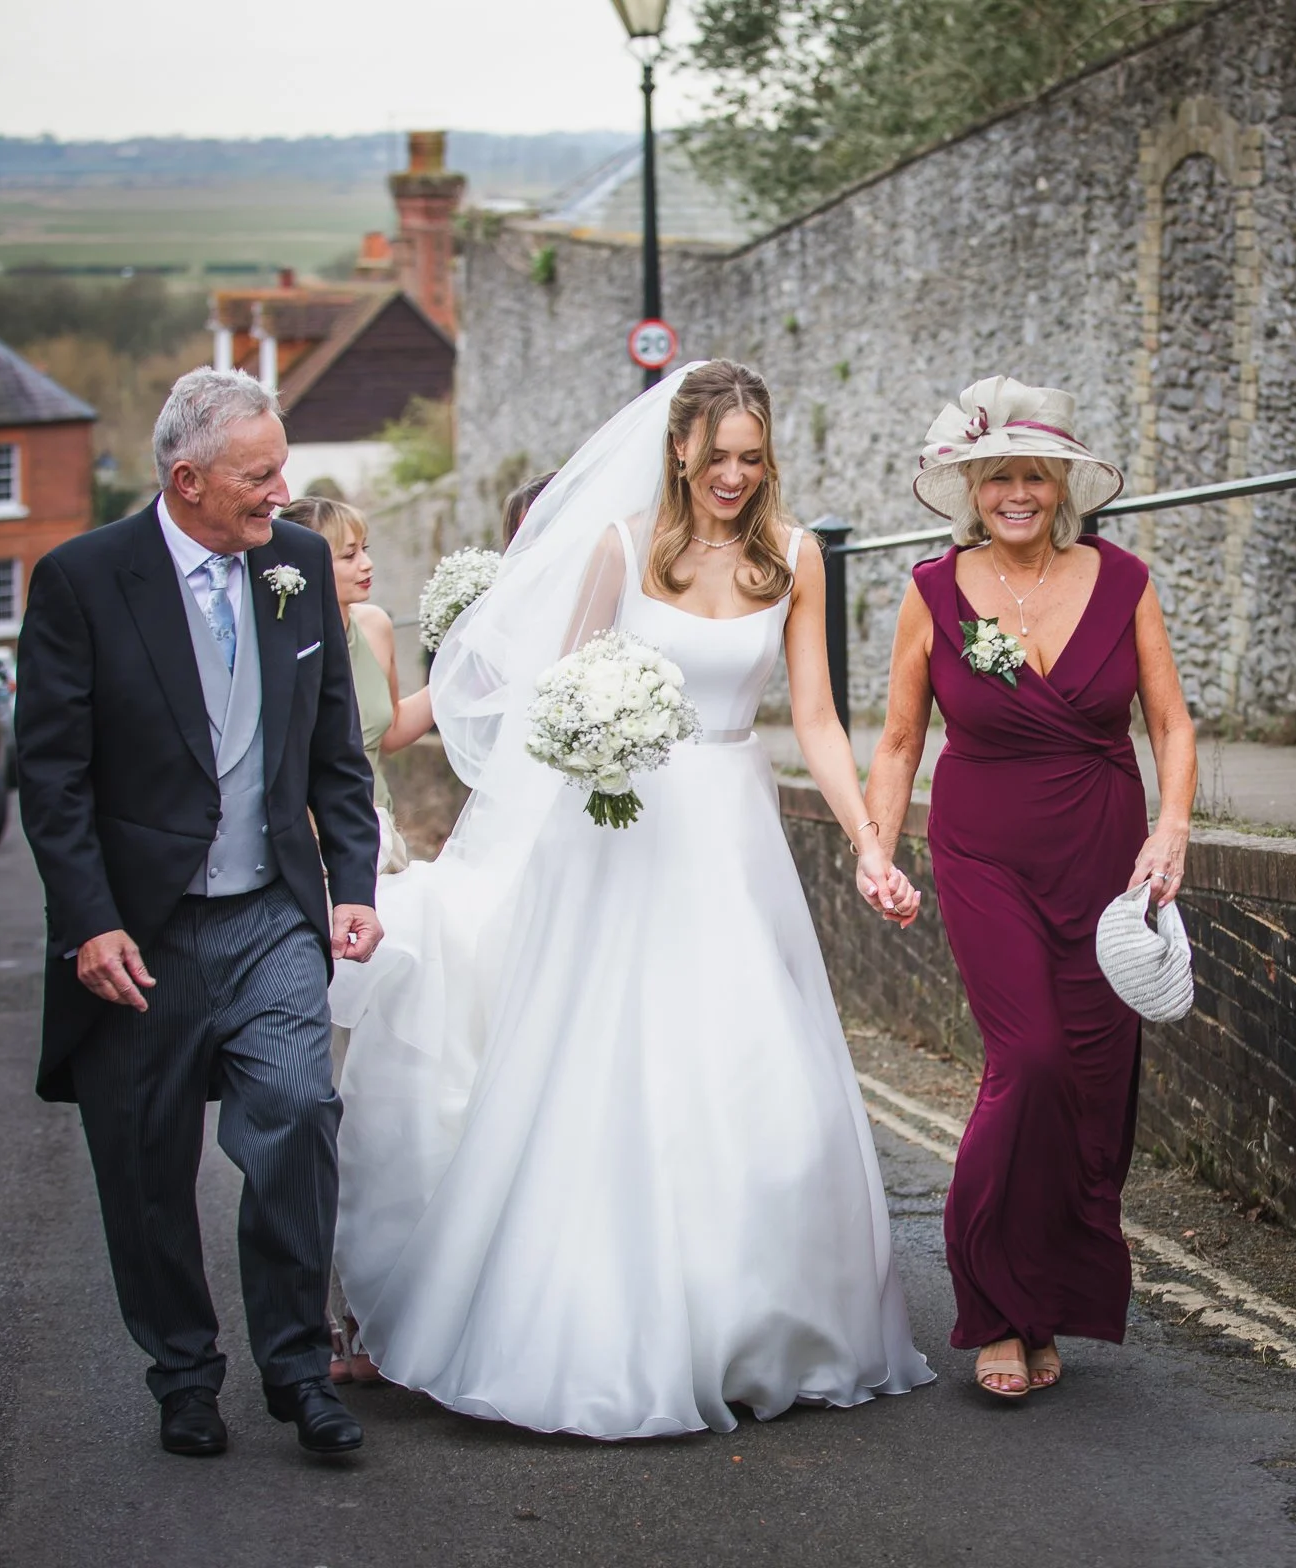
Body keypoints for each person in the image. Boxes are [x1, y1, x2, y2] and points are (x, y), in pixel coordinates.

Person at [330, 360, 933, 1438]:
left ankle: (763, 1324)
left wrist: (869, 841)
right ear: (680, 451)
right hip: (619, 835)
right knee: (611, 1064)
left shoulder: (794, 561)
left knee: (755, 1063)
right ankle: (605, 1324)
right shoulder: (618, 549)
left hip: (732, 831)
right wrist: (580, 758)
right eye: (716, 459)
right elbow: (554, 693)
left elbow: (818, 719)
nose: (733, 477)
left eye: (752, 459)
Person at [15, 367, 385, 1458]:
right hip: (140, 932)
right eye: (259, 474)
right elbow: (54, 775)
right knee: (146, 1161)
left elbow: (335, 746)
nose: (282, 491)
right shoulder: (85, 580)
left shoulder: (297, 565)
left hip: (270, 910)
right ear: (187, 479)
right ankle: (182, 1369)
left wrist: (352, 883)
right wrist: (87, 920)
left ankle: (294, 1365)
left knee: (297, 1115)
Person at [862, 375, 1197, 1399]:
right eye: (997, 475)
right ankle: (993, 1299)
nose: (1017, 492)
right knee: (1032, 1059)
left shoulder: (1126, 579)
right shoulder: (932, 591)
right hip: (983, 851)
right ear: (970, 486)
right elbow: (901, 738)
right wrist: (878, 849)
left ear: (1063, 486)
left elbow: (1172, 725)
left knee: (1091, 1087)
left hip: (1102, 853)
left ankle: (1042, 1305)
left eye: (1035, 476)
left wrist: (1172, 828)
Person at [280, 496, 432, 874]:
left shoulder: (375, 625)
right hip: (315, 850)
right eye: (348, 556)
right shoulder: (281, 643)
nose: (367, 564)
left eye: (364, 549)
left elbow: (390, 729)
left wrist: (463, 671)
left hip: (380, 832)